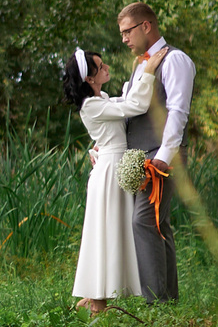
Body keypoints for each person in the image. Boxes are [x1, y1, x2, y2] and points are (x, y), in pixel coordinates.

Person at [63, 44, 157, 313]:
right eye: (100, 67)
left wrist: (96, 146)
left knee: (116, 231)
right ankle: (96, 299)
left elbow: (116, 112)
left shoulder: (101, 97)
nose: (106, 68)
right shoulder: (91, 105)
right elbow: (135, 105)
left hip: (113, 165)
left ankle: (98, 297)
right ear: (89, 79)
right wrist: (148, 71)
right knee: (105, 233)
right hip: (109, 174)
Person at [116, 1, 195, 301]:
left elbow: (177, 112)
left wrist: (162, 158)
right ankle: (168, 299)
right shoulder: (140, 66)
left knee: (144, 221)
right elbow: (131, 109)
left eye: (127, 31)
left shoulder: (175, 61)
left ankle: (156, 303)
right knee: (158, 223)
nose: (124, 39)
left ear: (146, 26)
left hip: (161, 156)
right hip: (141, 156)